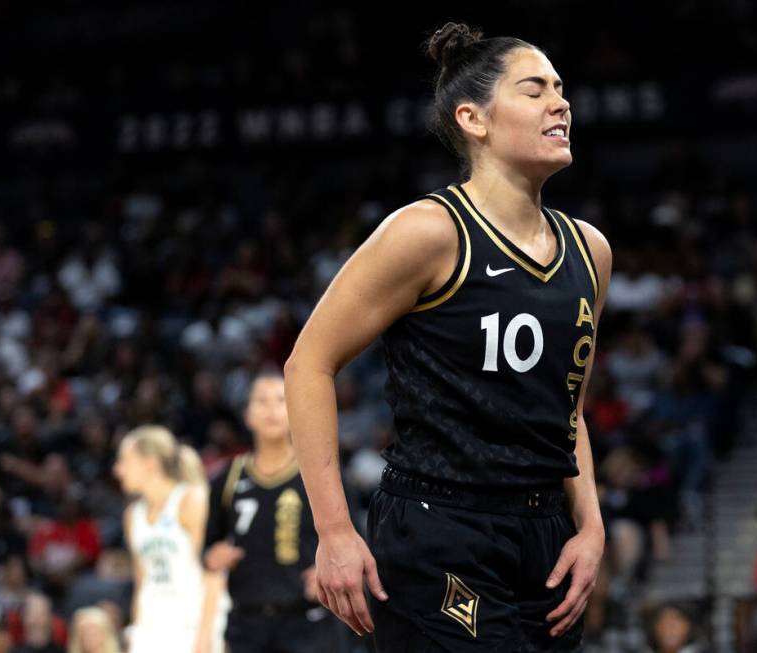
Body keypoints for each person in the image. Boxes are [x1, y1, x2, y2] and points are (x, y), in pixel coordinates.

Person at [284, 21, 611, 652]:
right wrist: (334, 531)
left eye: (561, 89)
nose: (560, 103)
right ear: (474, 118)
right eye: (534, 89)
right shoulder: (428, 231)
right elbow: (308, 364)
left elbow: (566, 413)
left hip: (543, 534)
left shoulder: (589, 251)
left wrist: (591, 524)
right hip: (439, 524)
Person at [202, 372, 334, 652]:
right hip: (246, 622)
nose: (271, 409)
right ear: (248, 414)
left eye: (281, 400)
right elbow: (208, 545)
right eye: (261, 401)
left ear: (296, 411)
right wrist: (212, 557)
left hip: (306, 621)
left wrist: (330, 566)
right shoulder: (228, 478)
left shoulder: (320, 474)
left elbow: (353, 535)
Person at [114, 425, 222, 653]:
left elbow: (213, 575)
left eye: (125, 461)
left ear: (150, 462)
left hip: (190, 624)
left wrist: (205, 638)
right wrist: (136, 629)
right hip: (152, 628)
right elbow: (141, 580)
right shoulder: (133, 515)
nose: (118, 470)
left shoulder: (191, 500)